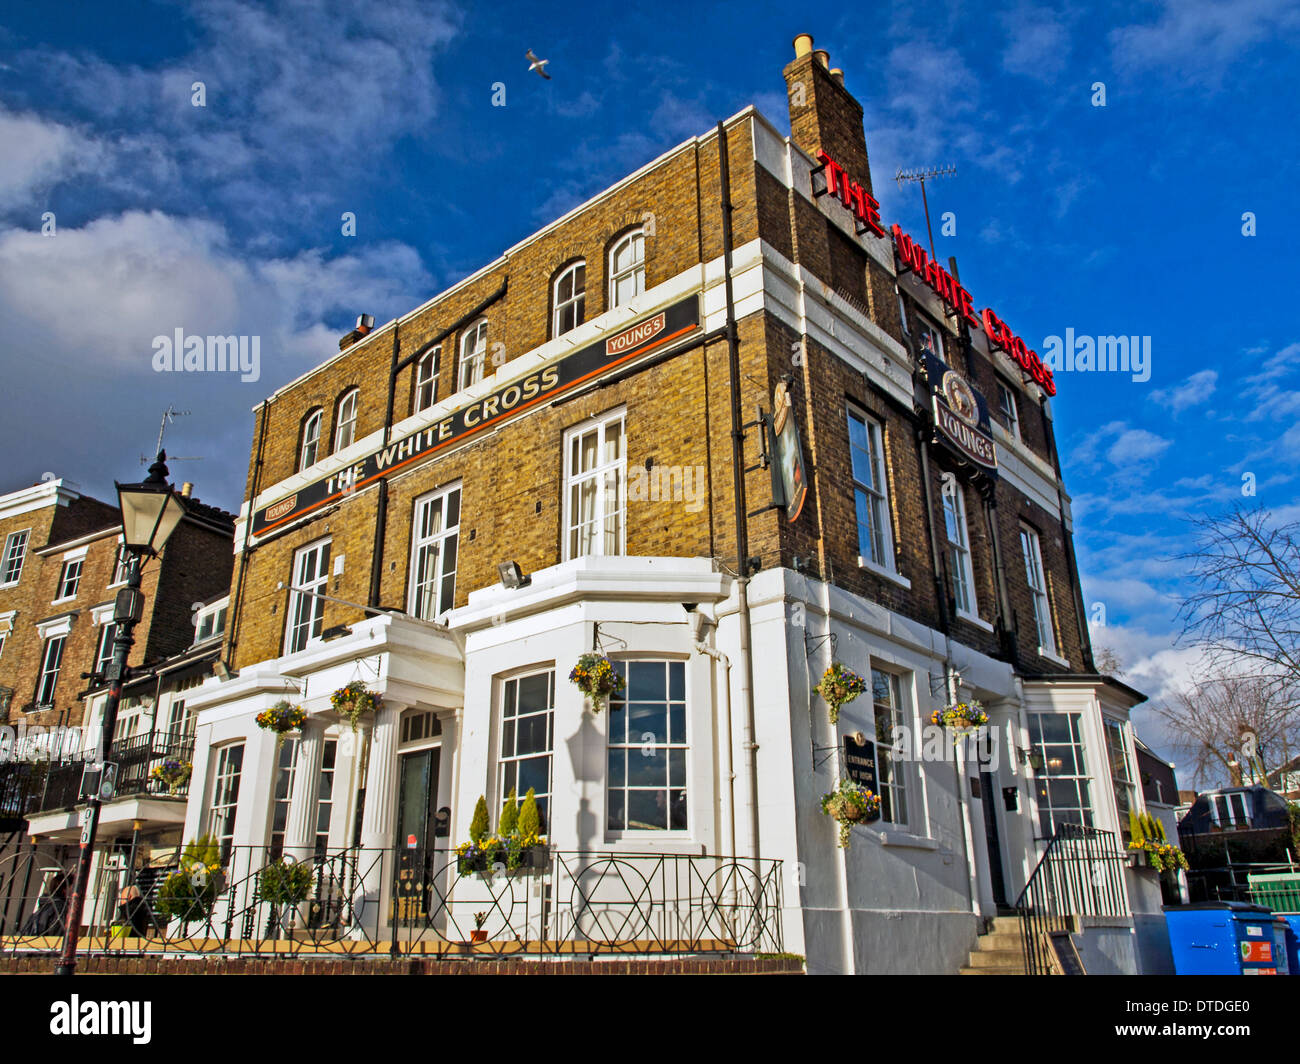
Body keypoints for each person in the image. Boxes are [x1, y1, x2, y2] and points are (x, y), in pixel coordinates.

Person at [19, 870, 69, 936]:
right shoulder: (60, 907)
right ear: (64, 890)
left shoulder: (45, 904)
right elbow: (57, 934)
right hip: (49, 943)